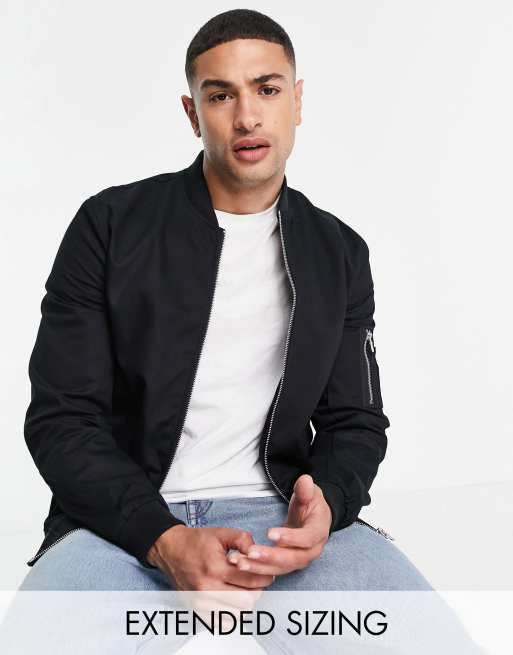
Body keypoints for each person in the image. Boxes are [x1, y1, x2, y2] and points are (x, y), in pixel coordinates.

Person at [3, 8, 485, 654]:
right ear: (192, 113)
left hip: (280, 521)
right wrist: (162, 537)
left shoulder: (338, 252)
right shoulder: (109, 226)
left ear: (297, 100)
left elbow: (355, 422)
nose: (248, 116)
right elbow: (61, 419)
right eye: (221, 95)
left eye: (267, 88)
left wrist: (327, 503)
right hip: (123, 522)